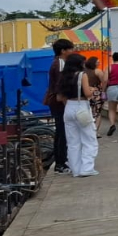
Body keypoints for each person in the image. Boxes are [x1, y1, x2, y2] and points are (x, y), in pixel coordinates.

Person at [58, 53, 100, 178]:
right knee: (89, 139)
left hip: (68, 108)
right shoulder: (82, 75)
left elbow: (60, 97)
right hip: (81, 106)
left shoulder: (63, 76)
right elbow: (87, 93)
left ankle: (75, 169)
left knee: (72, 142)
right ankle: (87, 168)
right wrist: (92, 91)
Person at [44, 38, 74, 174]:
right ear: (63, 51)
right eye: (70, 49)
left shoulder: (56, 63)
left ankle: (61, 161)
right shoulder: (60, 64)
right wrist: (66, 103)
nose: (72, 51)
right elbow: (60, 87)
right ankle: (60, 163)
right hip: (58, 103)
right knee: (62, 132)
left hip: (56, 102)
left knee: (61, 132)